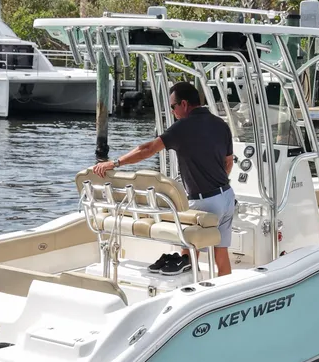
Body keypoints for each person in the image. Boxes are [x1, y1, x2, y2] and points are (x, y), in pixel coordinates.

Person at [92, 81, 235, 276]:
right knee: (221, 252)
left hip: (205, 201)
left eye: (173, 107)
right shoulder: (221, 125)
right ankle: (224, 292)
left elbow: (147, 150)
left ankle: (193, 293)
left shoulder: (182, 127)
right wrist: (214, 182)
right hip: (226, 197)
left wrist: (115, 163)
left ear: (184, 104)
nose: (173, 112)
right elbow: (228, 163)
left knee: (189, 252)